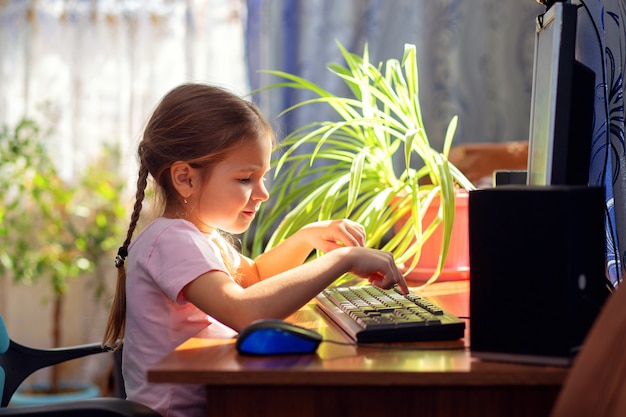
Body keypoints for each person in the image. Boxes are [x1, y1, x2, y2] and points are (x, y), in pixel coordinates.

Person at [102, 82, 407, 417]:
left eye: (263, 177)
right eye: (246, 179)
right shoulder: (171, 241)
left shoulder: (200, 237)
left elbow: (257, 276)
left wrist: (306, 238)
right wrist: (342, 259)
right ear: (185, 178)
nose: (262, 193)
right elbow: (245, 311)